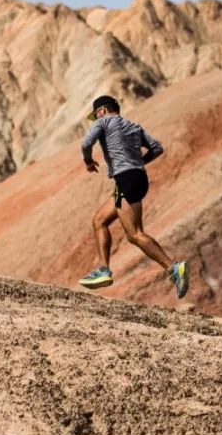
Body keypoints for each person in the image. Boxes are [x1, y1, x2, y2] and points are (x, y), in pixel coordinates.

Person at [78, 95, 189, 298]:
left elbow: (86, 143)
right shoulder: (134, 126)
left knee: (134, 234)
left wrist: (88, 161)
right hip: (138, 178)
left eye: (96, 115)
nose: (96, 118)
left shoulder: (103, 122)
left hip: (125, 179)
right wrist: (138, 164)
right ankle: (103, 269)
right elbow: (157, 148)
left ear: (101, 110)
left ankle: (173, 268)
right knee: (99, 220)